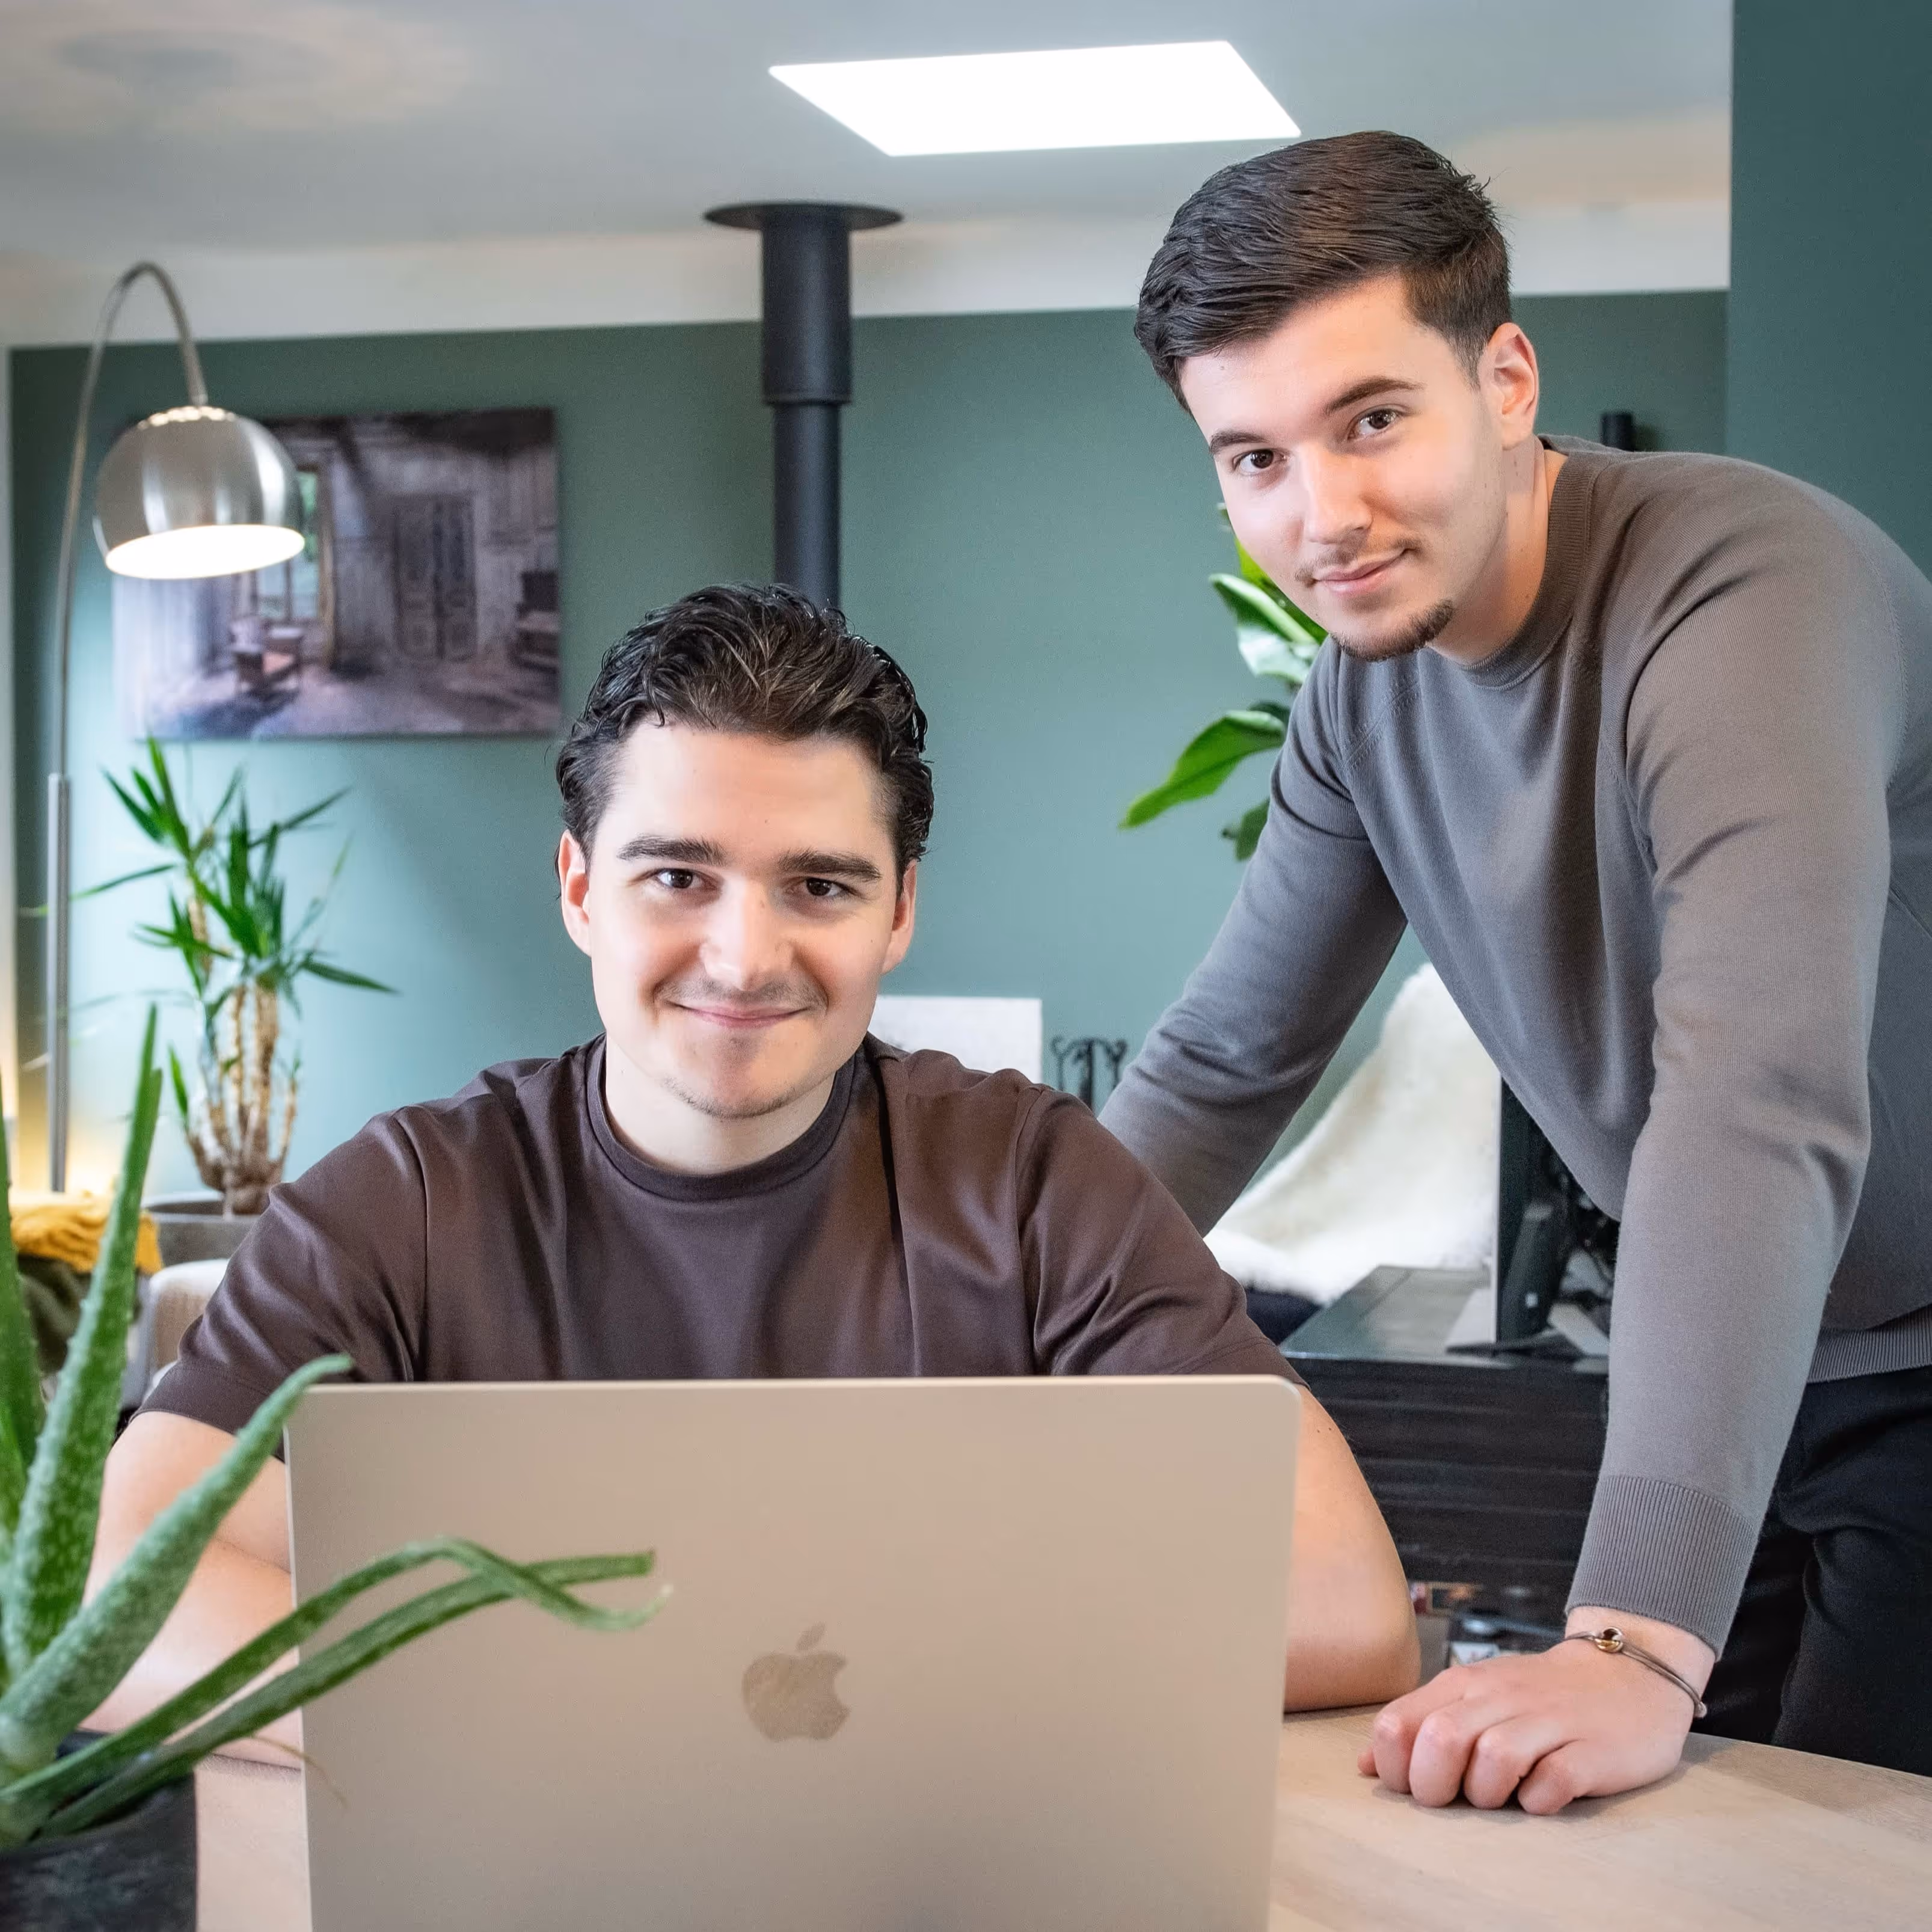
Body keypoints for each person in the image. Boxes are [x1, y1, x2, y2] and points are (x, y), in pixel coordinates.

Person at [91, 583, 1418, 1759]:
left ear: (899, 908)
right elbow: (119, 1592)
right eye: (678, 875)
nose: (743, 956)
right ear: (579, 889)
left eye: (820, 888)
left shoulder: (1033, 1183)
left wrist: (764, 1700)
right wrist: (575, 1721)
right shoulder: (402, 1204)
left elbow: (1340, 1602)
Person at [1102, 129, 1932, 1809]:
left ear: (1501, 379)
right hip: (1757, 1369)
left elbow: (1753, 1091)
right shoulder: (1361, 701)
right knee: (1674, 1845)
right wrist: (945, 1335)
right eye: (1252, 457)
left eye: (1370, 420)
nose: (1320, 515)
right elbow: (1223, 1060)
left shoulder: (1746, 589)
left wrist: (1628, 1640)